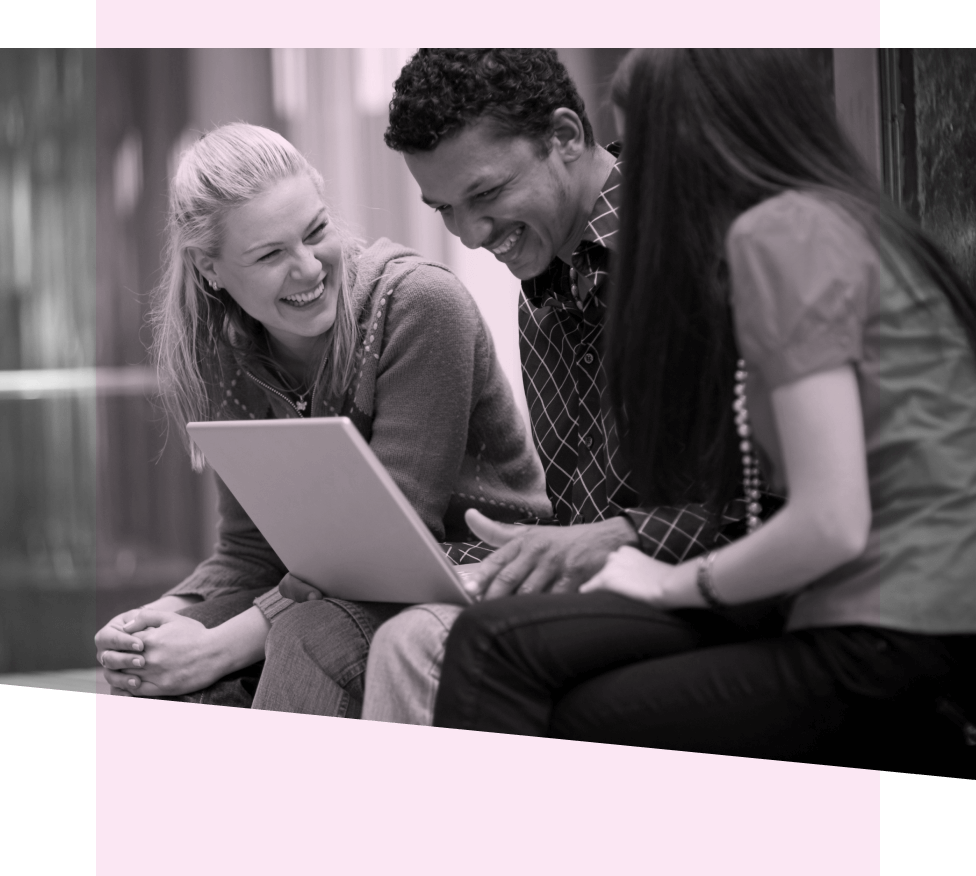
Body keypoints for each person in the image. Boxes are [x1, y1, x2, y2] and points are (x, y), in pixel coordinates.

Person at [430, 49, 976, 770]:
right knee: (548, 685)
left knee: (509, 657)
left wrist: (674, 582)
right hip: (886, 608)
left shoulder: (780, 236)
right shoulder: (834, 223)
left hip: (892, 618)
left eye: (645, 149)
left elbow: (831, 521)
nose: (634, 180)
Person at [358, 49, 778, 726]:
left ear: (565, 138)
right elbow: (579, 516)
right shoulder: (544, 287)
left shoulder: (704, 245)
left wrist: (610, 538)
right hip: (618, 587)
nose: (469, 235)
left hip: (725, 592)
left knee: (415, 645)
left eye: (486, 195)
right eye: (444, 210)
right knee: (354, 614)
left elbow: (766, 506)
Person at [93, 122, 552, 715]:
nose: (308, 268)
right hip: (325, 586)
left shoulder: (419, 304)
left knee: (307, 636)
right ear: (210, 269)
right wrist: (155, 624)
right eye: (270, 254)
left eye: (316, 232)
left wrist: (213, 648)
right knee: (149, 669)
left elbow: (386, 547)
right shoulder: (225, 352)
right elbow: (249, 551)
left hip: (476, 566)